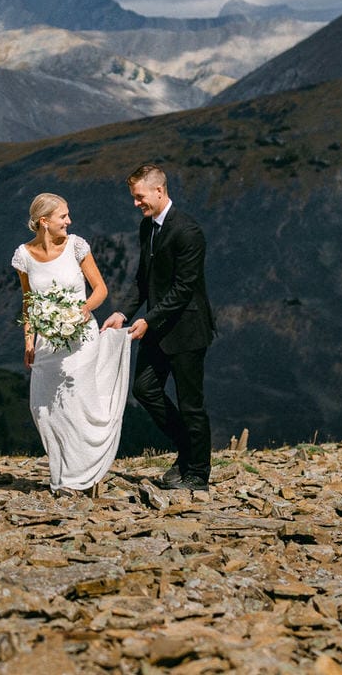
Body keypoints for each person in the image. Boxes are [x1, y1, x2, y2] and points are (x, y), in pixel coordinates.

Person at [103, 164, 216, 492]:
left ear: (159, 191)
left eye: (139, 197)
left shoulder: (188, 231)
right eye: (134, 198)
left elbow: (184, 288)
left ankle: (198, 475)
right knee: (144, 389)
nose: (136, 203)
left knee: (191, 403)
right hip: (158, 327)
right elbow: (144, 280)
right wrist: (123, 313)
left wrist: (148, 319)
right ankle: (188, 451)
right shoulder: (147, 228)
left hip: (187, 329)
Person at [12, 192, 130, 495]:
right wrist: (28, 340)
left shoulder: (76, 246)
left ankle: (79, 479)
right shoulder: (23, 256)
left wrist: (83, 310)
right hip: (47, 344)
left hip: (81, 338)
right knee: (43, 409)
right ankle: (64, 468)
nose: (69, 221)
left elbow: (100, 289)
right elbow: (28, 302)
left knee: (75, 402)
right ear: (44, 222)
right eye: (63, 216)